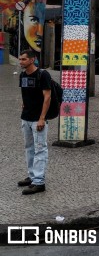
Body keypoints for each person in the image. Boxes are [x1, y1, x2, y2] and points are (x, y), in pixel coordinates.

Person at [18, 48, 51, 195]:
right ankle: (32, 176)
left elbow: (47, 97)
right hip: (26, 118)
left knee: (40, 149)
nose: (21, 61)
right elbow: (25, 93)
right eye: (20, 59)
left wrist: (42, 118)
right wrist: (24, 105)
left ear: (32, 60)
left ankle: (39, 182)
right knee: (29, 148)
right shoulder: (22, 75)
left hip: (38, 120)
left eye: (23, 59)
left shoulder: (43, 75)